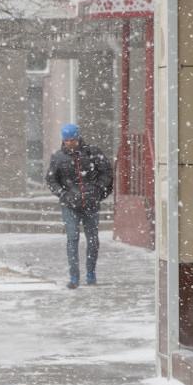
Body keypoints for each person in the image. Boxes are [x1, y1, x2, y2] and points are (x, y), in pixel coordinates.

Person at [45, 123, 113, 289]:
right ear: (63, 140)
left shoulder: (92, 153)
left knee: (92, 240)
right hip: (69, 204)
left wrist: (98, 189)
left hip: (91, 203)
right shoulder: (58, 158)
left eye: (72, 139)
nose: (70, 143)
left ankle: (91, 272)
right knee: (72, 238)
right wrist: (63, 193)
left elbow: (106, 172)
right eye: (66, 140)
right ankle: (74, 276)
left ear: (78, 138)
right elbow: (51, 179)